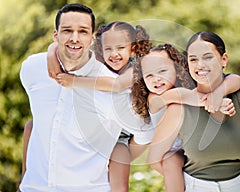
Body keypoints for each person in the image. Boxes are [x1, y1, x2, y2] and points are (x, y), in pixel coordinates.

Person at [21, 21, 154, 192]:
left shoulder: (136, 68)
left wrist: (74, 81)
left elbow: (117, 85)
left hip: (125, 137)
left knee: (119, 165)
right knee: (31, 126)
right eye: (108, 49)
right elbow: (59, 47)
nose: (114, 54)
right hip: (100, 128)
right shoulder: (100, 61)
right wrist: (50, 53)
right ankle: (26, 179)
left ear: (133, 49)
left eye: (120, 48)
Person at [148, 32, 240, 192]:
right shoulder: (179, 108)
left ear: (224, 60)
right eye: (193, 59)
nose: (200, 65)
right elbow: (155, 159)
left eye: (208, 57)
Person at [131, 44, 240, 192]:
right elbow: (182, 95)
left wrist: (219, 92)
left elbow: (235, 79)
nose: (156, 79)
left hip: (194, 147)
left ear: (177, 70)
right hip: (171, 151)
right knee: (171, 162)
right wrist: (217, 103)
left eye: (162, 71)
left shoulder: (192, 86)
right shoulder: (155, 98)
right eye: (149, 75)